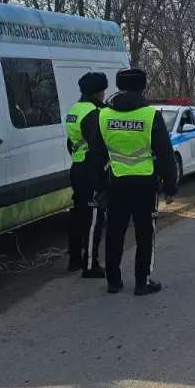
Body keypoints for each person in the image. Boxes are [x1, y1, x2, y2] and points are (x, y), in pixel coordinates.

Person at [86, 67, 178, 296]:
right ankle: (141, 282)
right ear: (142, 87)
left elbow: (95, 154)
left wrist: (97, 186)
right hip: (144, 185)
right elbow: (166, 155)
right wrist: (170, 187)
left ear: (118, 86)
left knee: (115, 233)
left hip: (115, 183)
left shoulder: (104, 115)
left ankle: (113, 281)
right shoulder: (150, 116)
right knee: (144, 234)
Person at [65, 72, 108, 278]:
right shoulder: (94, 113)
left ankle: (74, 260)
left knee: (78, 214)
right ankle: (90, 265)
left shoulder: (75, 109)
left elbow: (70, 143)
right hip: (90, 169)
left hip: (77, 167)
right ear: (99, 92)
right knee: (94, 217)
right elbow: (98, 148)